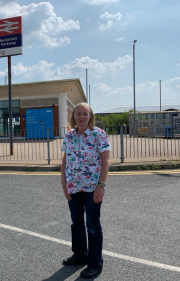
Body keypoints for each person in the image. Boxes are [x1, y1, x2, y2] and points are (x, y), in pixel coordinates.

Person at [60, 102, 110, 279]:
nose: (81, 117)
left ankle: (95, 264)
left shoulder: (99, 134)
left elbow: (106, 162)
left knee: (93, 225)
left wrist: (100, 186)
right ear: (73, 116)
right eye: (78, 114)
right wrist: (63, 184)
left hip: (91, 188)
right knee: (77, 223)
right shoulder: (68, 136)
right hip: (73, 187)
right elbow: (65, 160)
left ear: (90, 117)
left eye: (85, 114)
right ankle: (80, 255)